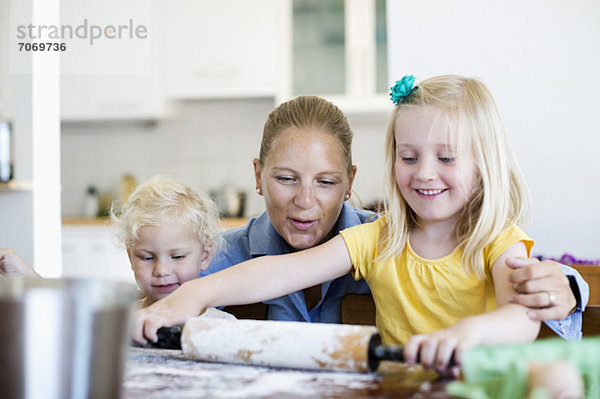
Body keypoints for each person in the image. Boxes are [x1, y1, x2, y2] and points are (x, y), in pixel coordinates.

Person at [131, 75, 580, 373]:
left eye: (445, 158)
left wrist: (562, 289)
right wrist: (182, 297)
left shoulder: (482, 240)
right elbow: (274, 272)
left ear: (349, 184)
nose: (424, 173)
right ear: (258, 176)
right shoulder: (380, 239)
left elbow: (524, 310)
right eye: (409, 157)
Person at [201, 95, 587, 336]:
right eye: (286, 179)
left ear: (350, 182)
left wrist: (570, 286)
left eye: (326, 182)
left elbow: (522, 291)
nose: (305, 200)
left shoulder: (379, 236)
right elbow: (261, 272)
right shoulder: (228, 250)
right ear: (258, 176)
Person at [110, 177, 221, 307]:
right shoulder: (125, 321)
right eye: (148, 258)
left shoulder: (220, 324)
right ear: (131, 258)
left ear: (205, 256)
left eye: (177, 257)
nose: (162, 270)